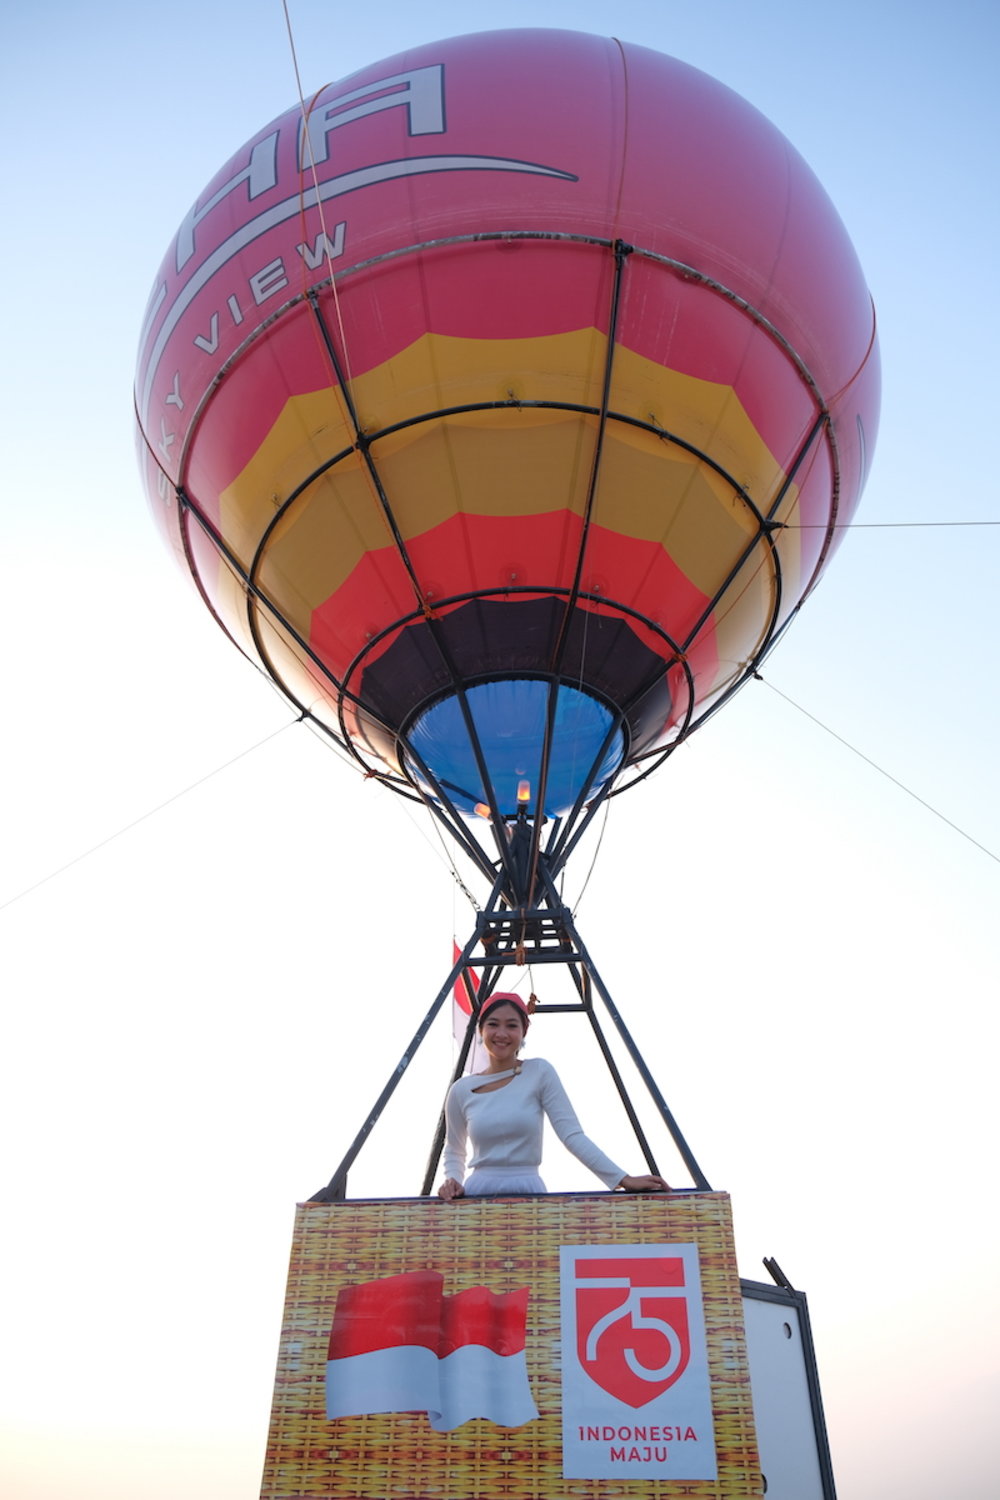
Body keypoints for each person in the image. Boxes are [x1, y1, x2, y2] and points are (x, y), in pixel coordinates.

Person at [437, 992, 671, 1199]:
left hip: (529, 1193)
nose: (501, 1033)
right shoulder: (461, 1090)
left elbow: (572, 1136)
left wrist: (623, 1179)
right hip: (478, 1196)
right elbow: (454, 1149)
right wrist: (453, 1180)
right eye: (493, 1024)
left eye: (511, 1025)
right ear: (481, 1029)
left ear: (523, 1032)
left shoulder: (539, 1072)